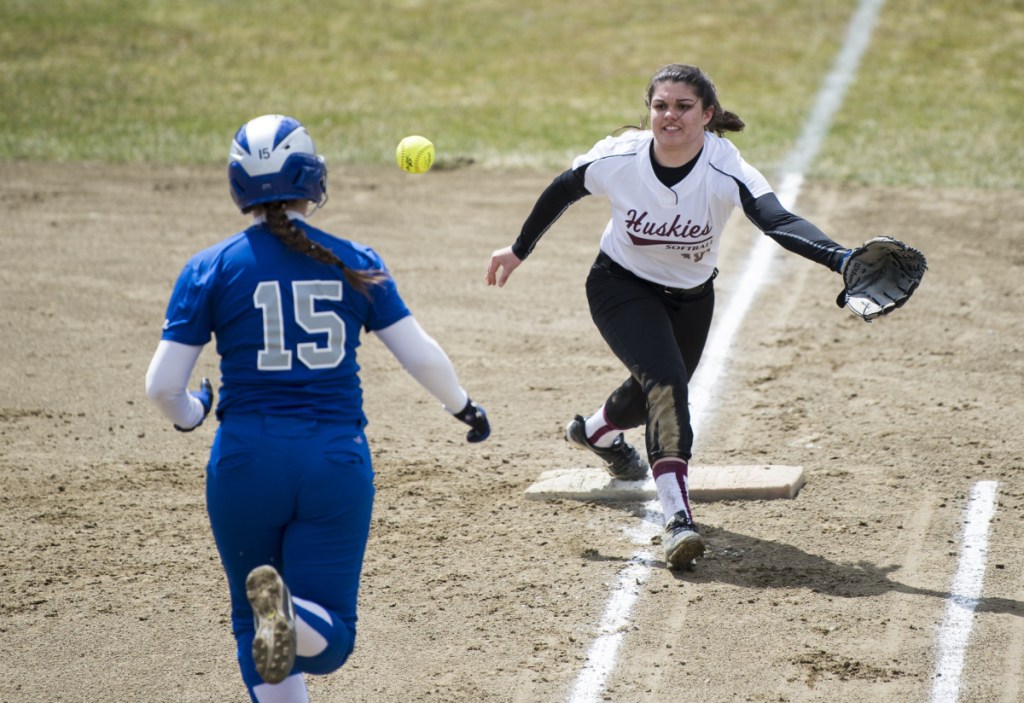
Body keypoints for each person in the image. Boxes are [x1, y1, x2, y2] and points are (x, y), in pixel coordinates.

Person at [146, 114, 490, 702]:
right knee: (330, 637)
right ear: (312, 179)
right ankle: (290, 616)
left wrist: (193, 412)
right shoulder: (351, 258)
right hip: (333, 460)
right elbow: (421, 356)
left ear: (237, 184)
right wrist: (464, 407)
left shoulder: (211, 266)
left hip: (245, 461)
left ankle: (276, 613)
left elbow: (162, 385)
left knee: (253, 625)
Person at [486, 63, 853, 570]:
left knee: (649, 396)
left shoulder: (725, 168)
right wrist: (518, 249)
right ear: (649, 111)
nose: (670, 116)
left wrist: (842, 259)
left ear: (707, 115)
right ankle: (678, 519)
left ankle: (595, 432)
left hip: (691, 299)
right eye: (661, 106)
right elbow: (562, 189)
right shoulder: (621, 158)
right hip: (620, 285)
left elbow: (777, 220)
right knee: (666, 384)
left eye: (683, 107)